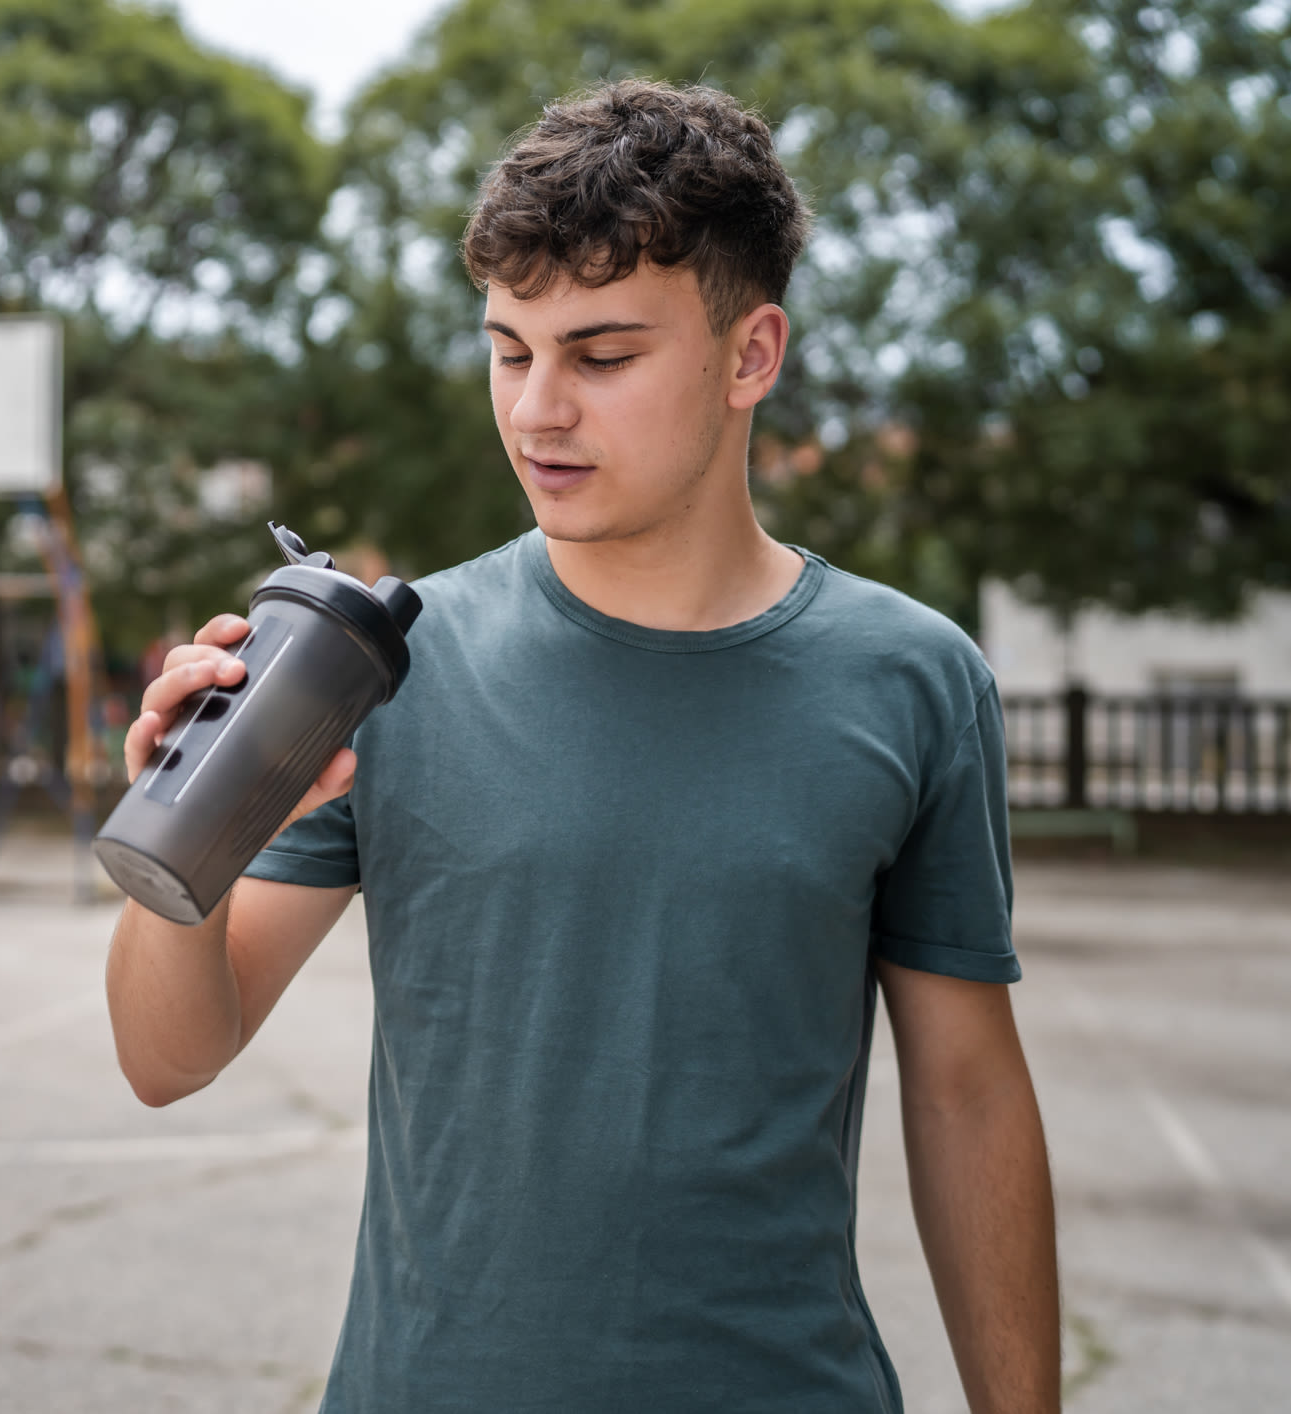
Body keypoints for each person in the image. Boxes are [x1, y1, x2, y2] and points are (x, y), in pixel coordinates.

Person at [104, 79, 1057, 1414]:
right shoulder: (381, 663)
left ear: (750, 354)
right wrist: (180, 819)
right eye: (508, 349)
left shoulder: (911, 680)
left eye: (600, 356)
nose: (536, 409)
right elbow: (166, 1056)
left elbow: (964, 1095)